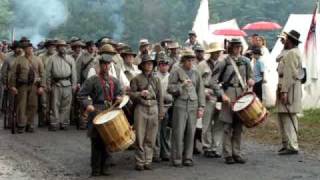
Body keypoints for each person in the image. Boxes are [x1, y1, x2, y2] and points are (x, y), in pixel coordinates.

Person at [78, 54, 123, 176]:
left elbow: (120, 93)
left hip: (110, 111)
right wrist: (88, 104)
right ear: (100, 65)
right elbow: (81, 94)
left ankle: (106, 167)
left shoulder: (115, 80)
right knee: (97, 141)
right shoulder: (92, 80)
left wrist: (119, 98)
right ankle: (96, 169)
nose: (106, 67)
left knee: (109, 141)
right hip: (97, 111)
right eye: (104, 64)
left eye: (108, 64)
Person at [211, 38, 254, 164]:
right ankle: (228, 154)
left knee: (239, 126)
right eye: (235, 46)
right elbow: (212, 82)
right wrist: (222, 95)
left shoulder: (246, 61)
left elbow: (251, 76)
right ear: (230, 47)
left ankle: (237, 153)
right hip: (228, 95)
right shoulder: (223, 62)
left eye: (239, 46)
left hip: (241, 94)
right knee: (227, 126)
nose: (237, 49)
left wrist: (251, 80)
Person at [168, 48, 205, 167]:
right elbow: (169, 88)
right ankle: (177, 158)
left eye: (192, 60)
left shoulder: (196, 73)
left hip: (193, 104)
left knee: (191, 132)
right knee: (178, 132)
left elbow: (200, 90)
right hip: (180, 104)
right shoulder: (176, 71)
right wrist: (181, 86)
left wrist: (201, 107)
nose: (190, 62)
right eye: (188, 60)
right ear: (183, 61)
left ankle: (188, 157)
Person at [130, 54, 164, 171]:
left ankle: (148, 160)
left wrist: (161, 112)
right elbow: (131, 94)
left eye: (151, 63)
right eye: (147, 63)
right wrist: (140, 94)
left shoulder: (156, 79)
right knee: (140, 136)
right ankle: (140, 161)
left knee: (151, 136)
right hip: (141, 107)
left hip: (154, 107)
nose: (149, 65)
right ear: (142, 65)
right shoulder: (136, 79)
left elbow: (160, 97)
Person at [276, 30, 303, 155]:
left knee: (288, 117)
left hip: (288, 88)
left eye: (286, 39)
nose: (284, 41)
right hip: (285, 85)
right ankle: (286, 143)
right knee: (283, 117)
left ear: (290, 41)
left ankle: (292, 146)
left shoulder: (292, 53)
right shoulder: (290, 52)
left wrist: (284, 91)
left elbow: (289, 74)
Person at [9, 42, 45, 133]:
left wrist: (42, 86)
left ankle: (30, 124)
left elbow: (43, 74)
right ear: (24, 50)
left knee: (33, 105)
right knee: (21, 105)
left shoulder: (38, 60)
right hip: (22, 86)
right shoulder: (19, 60)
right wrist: (13, 86)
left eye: (30, 48)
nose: (29, 50)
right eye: (27, 48)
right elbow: (13, 74)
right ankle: (21, 124)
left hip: (34, 85)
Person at [198, 42, 225, 158]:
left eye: (218, 52)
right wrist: (204, 92)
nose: (217, 54)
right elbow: (197, 82)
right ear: (211, 52)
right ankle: (207, 146)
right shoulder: (202, 65)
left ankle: (215, 146)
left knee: (219, 123)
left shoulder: (222, 64)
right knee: (207, 123)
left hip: (219, 95)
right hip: (208, 95)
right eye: (215, 52)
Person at [46, 40, 77, 131]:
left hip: (68, 83)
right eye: (60, 46)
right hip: (56, 84)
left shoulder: (70, 59)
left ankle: (64, 122)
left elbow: (74, 73)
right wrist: (47, 85)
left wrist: (74, 84)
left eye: (64, 46)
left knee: (66, 105)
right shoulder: (52, 58)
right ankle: (55, 123)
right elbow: (47, 73)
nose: (62, 48)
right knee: (55, 105)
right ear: (57, 47)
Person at [153, 52, 172, 162]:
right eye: (161, 64)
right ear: (158, 65)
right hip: (156, 105)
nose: (163, 66)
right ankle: (156, 153)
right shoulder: (155, 76)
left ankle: (165, 152)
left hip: (168, 106)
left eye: (165, 64)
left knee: (166, 131)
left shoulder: (171, 76)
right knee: (156, 131)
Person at [38, 39, 57, 127]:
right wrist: (42, 84)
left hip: (55, 83)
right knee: (44, 103)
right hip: (44, 82)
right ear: (47, 47)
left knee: (54, 103)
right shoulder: (41, 57)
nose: (52, 48)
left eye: (53, 46)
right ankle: (43, 120)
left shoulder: (57, 56)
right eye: (50, 46)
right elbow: (40, 71)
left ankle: (51, 120)